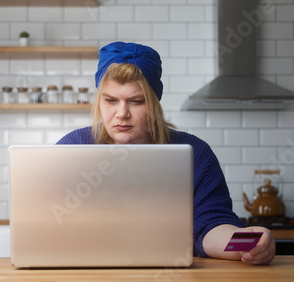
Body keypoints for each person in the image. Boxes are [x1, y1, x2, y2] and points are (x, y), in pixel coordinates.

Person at [56, 41, 276, 265]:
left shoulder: (195, 153)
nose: (121, 113)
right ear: (99, 100)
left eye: (136, 101)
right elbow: (46, 224)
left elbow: (212, 226)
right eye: (111, 100)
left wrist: (249, 243)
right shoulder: (70, 148)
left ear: (154, 103)